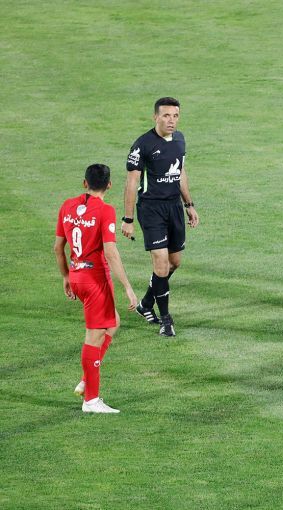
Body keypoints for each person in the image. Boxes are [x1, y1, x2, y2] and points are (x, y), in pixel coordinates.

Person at [54, 164, 138, 413]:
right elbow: (110, 253)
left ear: (85, 183)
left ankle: (86, 378)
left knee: (113, 322)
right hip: (95, 280)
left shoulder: (67, 206)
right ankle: (91, 400)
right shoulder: (105, 210)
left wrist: (66, 276)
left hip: (77, 276)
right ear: (109, 185)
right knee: (93, 336)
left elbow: (58, 248)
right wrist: (128, 288)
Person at [122, 97, 199, 337]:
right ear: (155, 116)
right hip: (151, 209)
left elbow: (180, 172)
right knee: (161, 263)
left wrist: (189, 204)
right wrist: (128, 219)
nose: (171, 121)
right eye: (166, 116)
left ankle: (146, 303)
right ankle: (166, 320)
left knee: (174, 262)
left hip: (174, 207)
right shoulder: (142, 145)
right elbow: (132, 182)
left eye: (175, 116)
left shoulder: (180, 140)